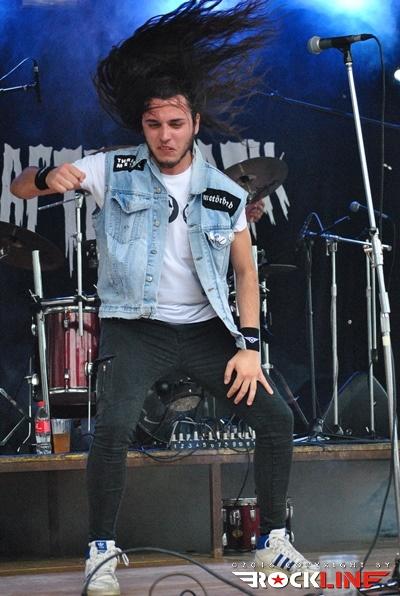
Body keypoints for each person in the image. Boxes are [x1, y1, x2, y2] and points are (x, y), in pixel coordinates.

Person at [11, 1, 317, 594]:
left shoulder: (225, 192)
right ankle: (101, 551)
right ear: (143, 126)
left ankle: (272, 542)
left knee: (275, 419)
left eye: (175, 123)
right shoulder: (112, 169)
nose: (165, 135)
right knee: (113, 428)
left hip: (205, 332)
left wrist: (248, 347)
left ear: (194, 123)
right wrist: (47, 178)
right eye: (154, 125)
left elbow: (245, 273)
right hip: (137, 327)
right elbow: (20, 187)